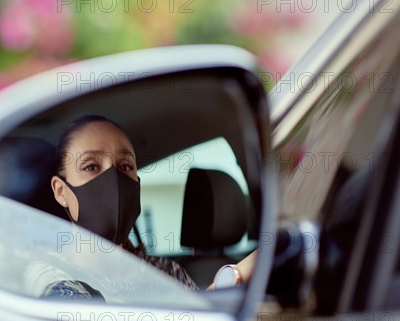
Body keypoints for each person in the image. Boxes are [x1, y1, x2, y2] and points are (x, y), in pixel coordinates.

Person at [48, 115, 256, 299]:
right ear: (60, 191)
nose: (113, 179)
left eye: (125, 166)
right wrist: (240, 272)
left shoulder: (164, 271)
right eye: (91, 166)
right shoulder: (52, 279)